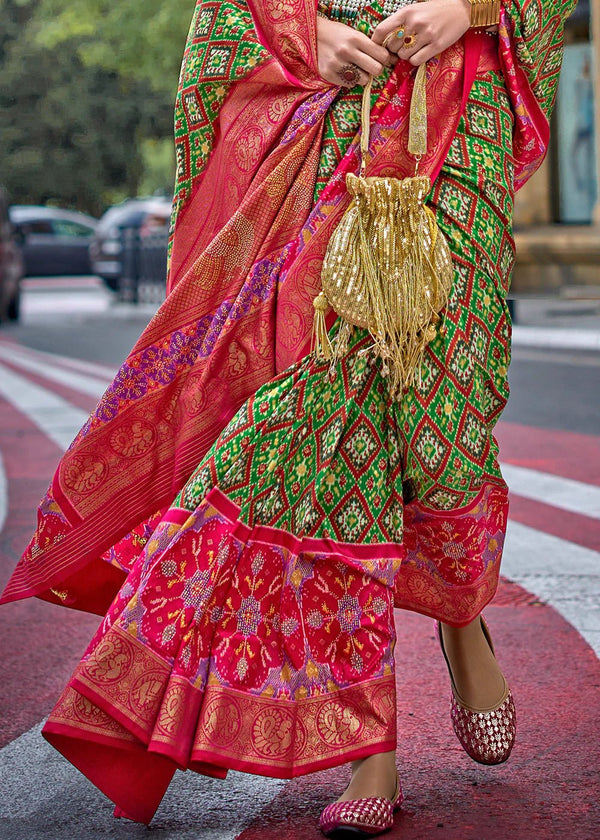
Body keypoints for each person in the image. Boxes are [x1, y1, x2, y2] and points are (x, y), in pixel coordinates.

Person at [0, 0, 575, 836]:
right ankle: (368, 744)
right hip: (327, 121)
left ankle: (460, 614)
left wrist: (471, 8)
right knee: (329, 421)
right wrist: (306, 39)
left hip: (460, 124)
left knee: (441, 421)